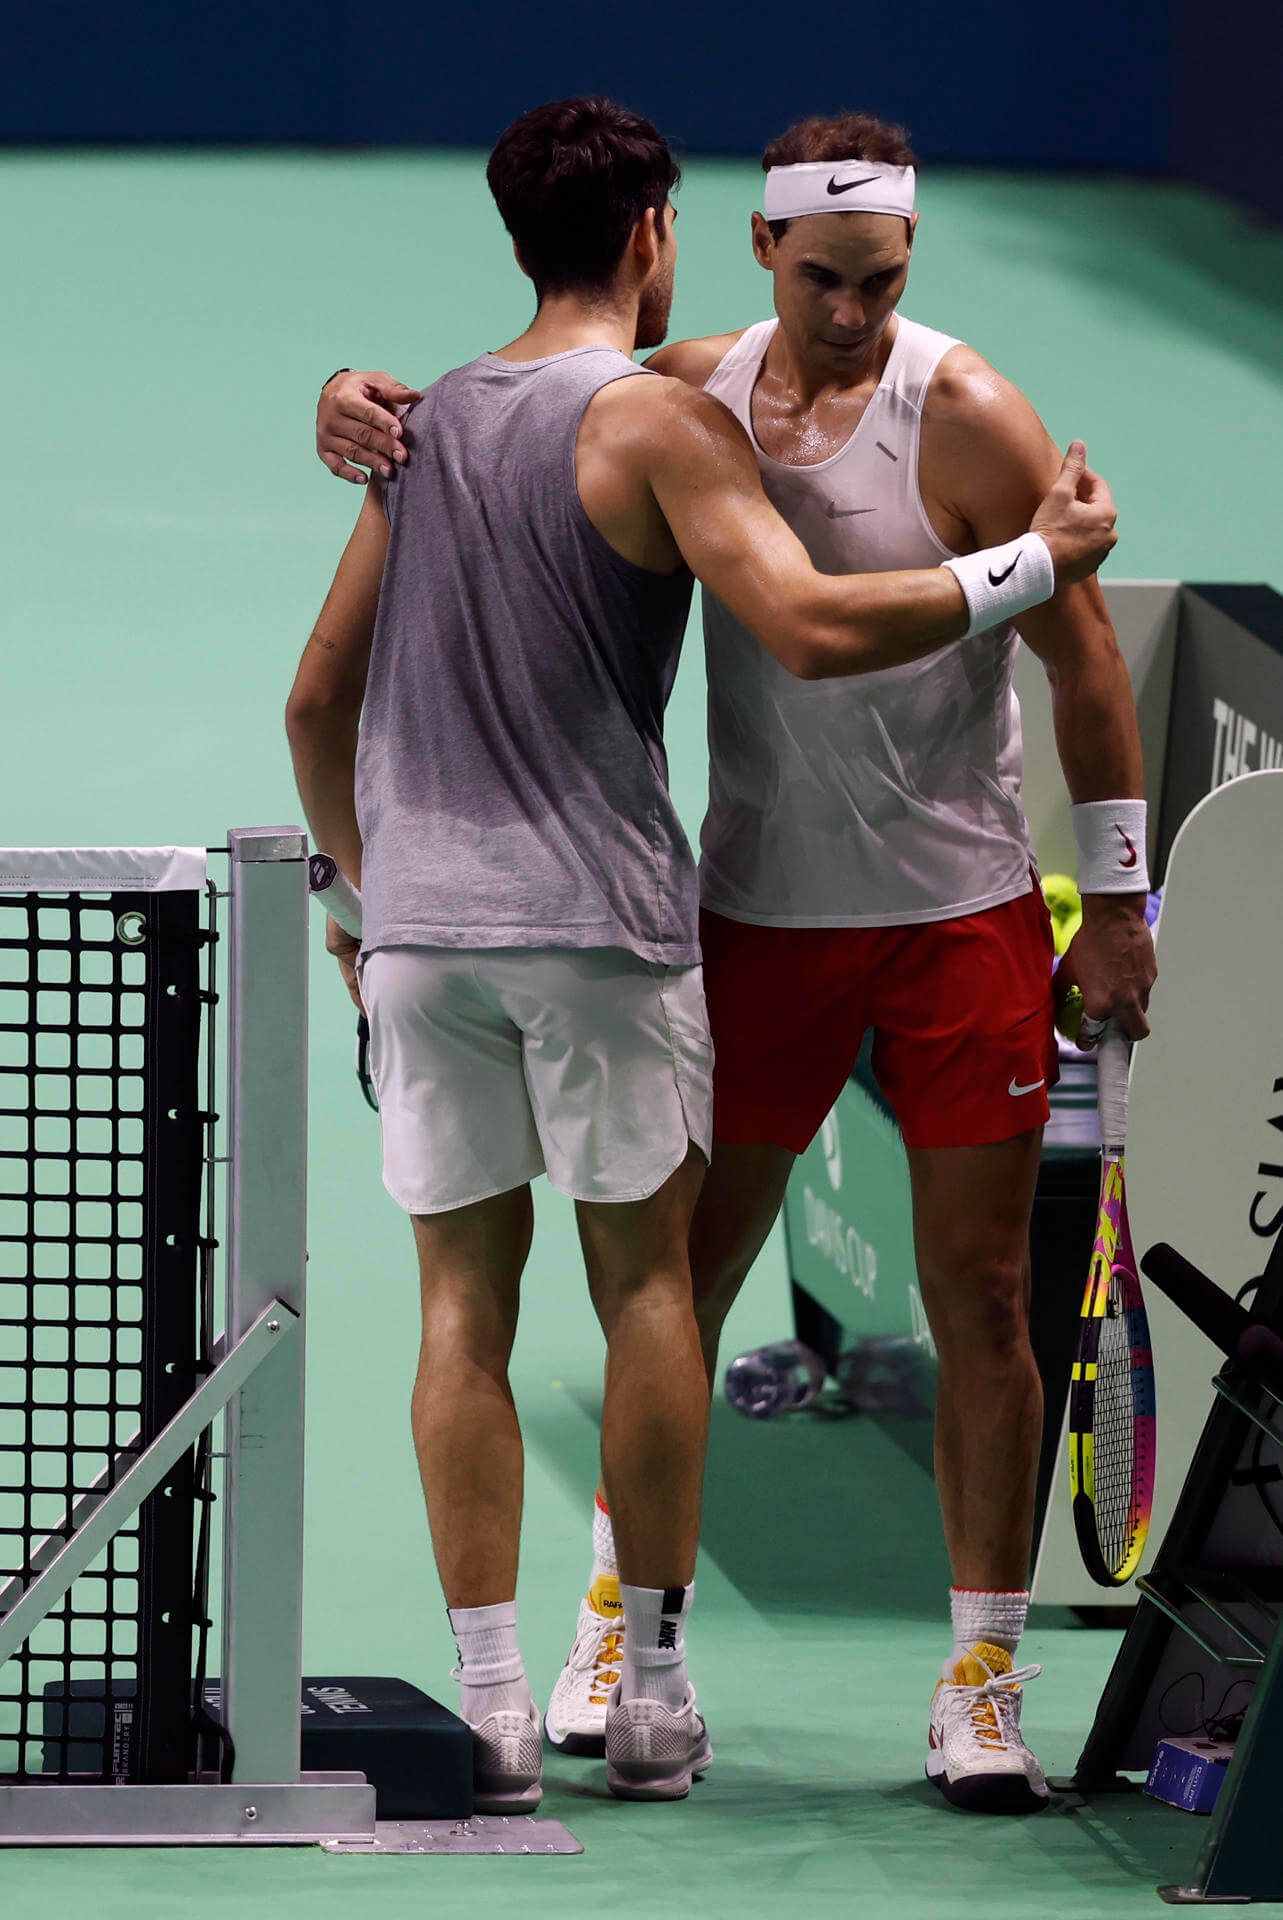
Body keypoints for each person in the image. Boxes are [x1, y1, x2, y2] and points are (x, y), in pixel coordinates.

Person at [305, 101, 1121, 1815]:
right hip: (742, 916)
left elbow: (1089, 661)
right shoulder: (675, 395)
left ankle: (977, 1681)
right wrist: (354, 402)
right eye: (824, 278)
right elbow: (781, 603)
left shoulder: (962, 409)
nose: (853, 312)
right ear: (733, 244)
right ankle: (625, 1642)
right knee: (677, 1281)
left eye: (883, 279)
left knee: (980, 1294)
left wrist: (1116, 902)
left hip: (956, 909)